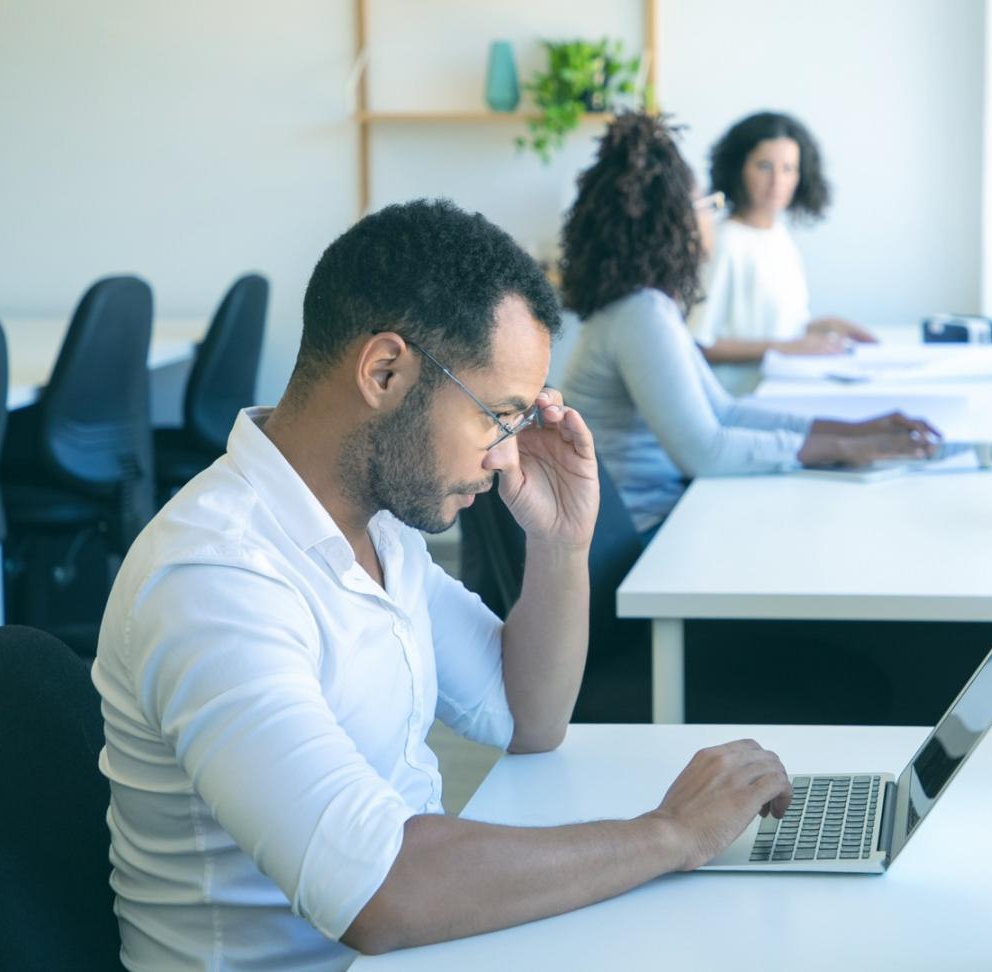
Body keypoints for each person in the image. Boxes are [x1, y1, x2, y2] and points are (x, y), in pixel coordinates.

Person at [91, 199, 794, 969]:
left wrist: (561, 544)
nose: (505, 456)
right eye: (497, 416)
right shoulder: (213, 578)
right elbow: (379, 889)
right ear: (384, 372)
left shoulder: (379, 527)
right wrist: (670, 834)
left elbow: (529, 717)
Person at [558, 113, 938, 534]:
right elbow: (705, 451)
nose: (711, 219)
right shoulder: (640, 315)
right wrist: (845, 448)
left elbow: (725, 412)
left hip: (663, 512)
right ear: (673, 222)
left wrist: (860, 431)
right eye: (707, 206)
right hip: (642, 533)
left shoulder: (648, 307)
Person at [687, 111, 875, 387]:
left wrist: (826, 327)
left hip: (781, 389)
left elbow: (781, 329)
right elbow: (697, 344)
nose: (777, 181)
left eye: (788, 169)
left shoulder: (779, 236)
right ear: (738, 168)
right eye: (764, 166)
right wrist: (785, 349)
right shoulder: (725, 242)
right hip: (739, 398)